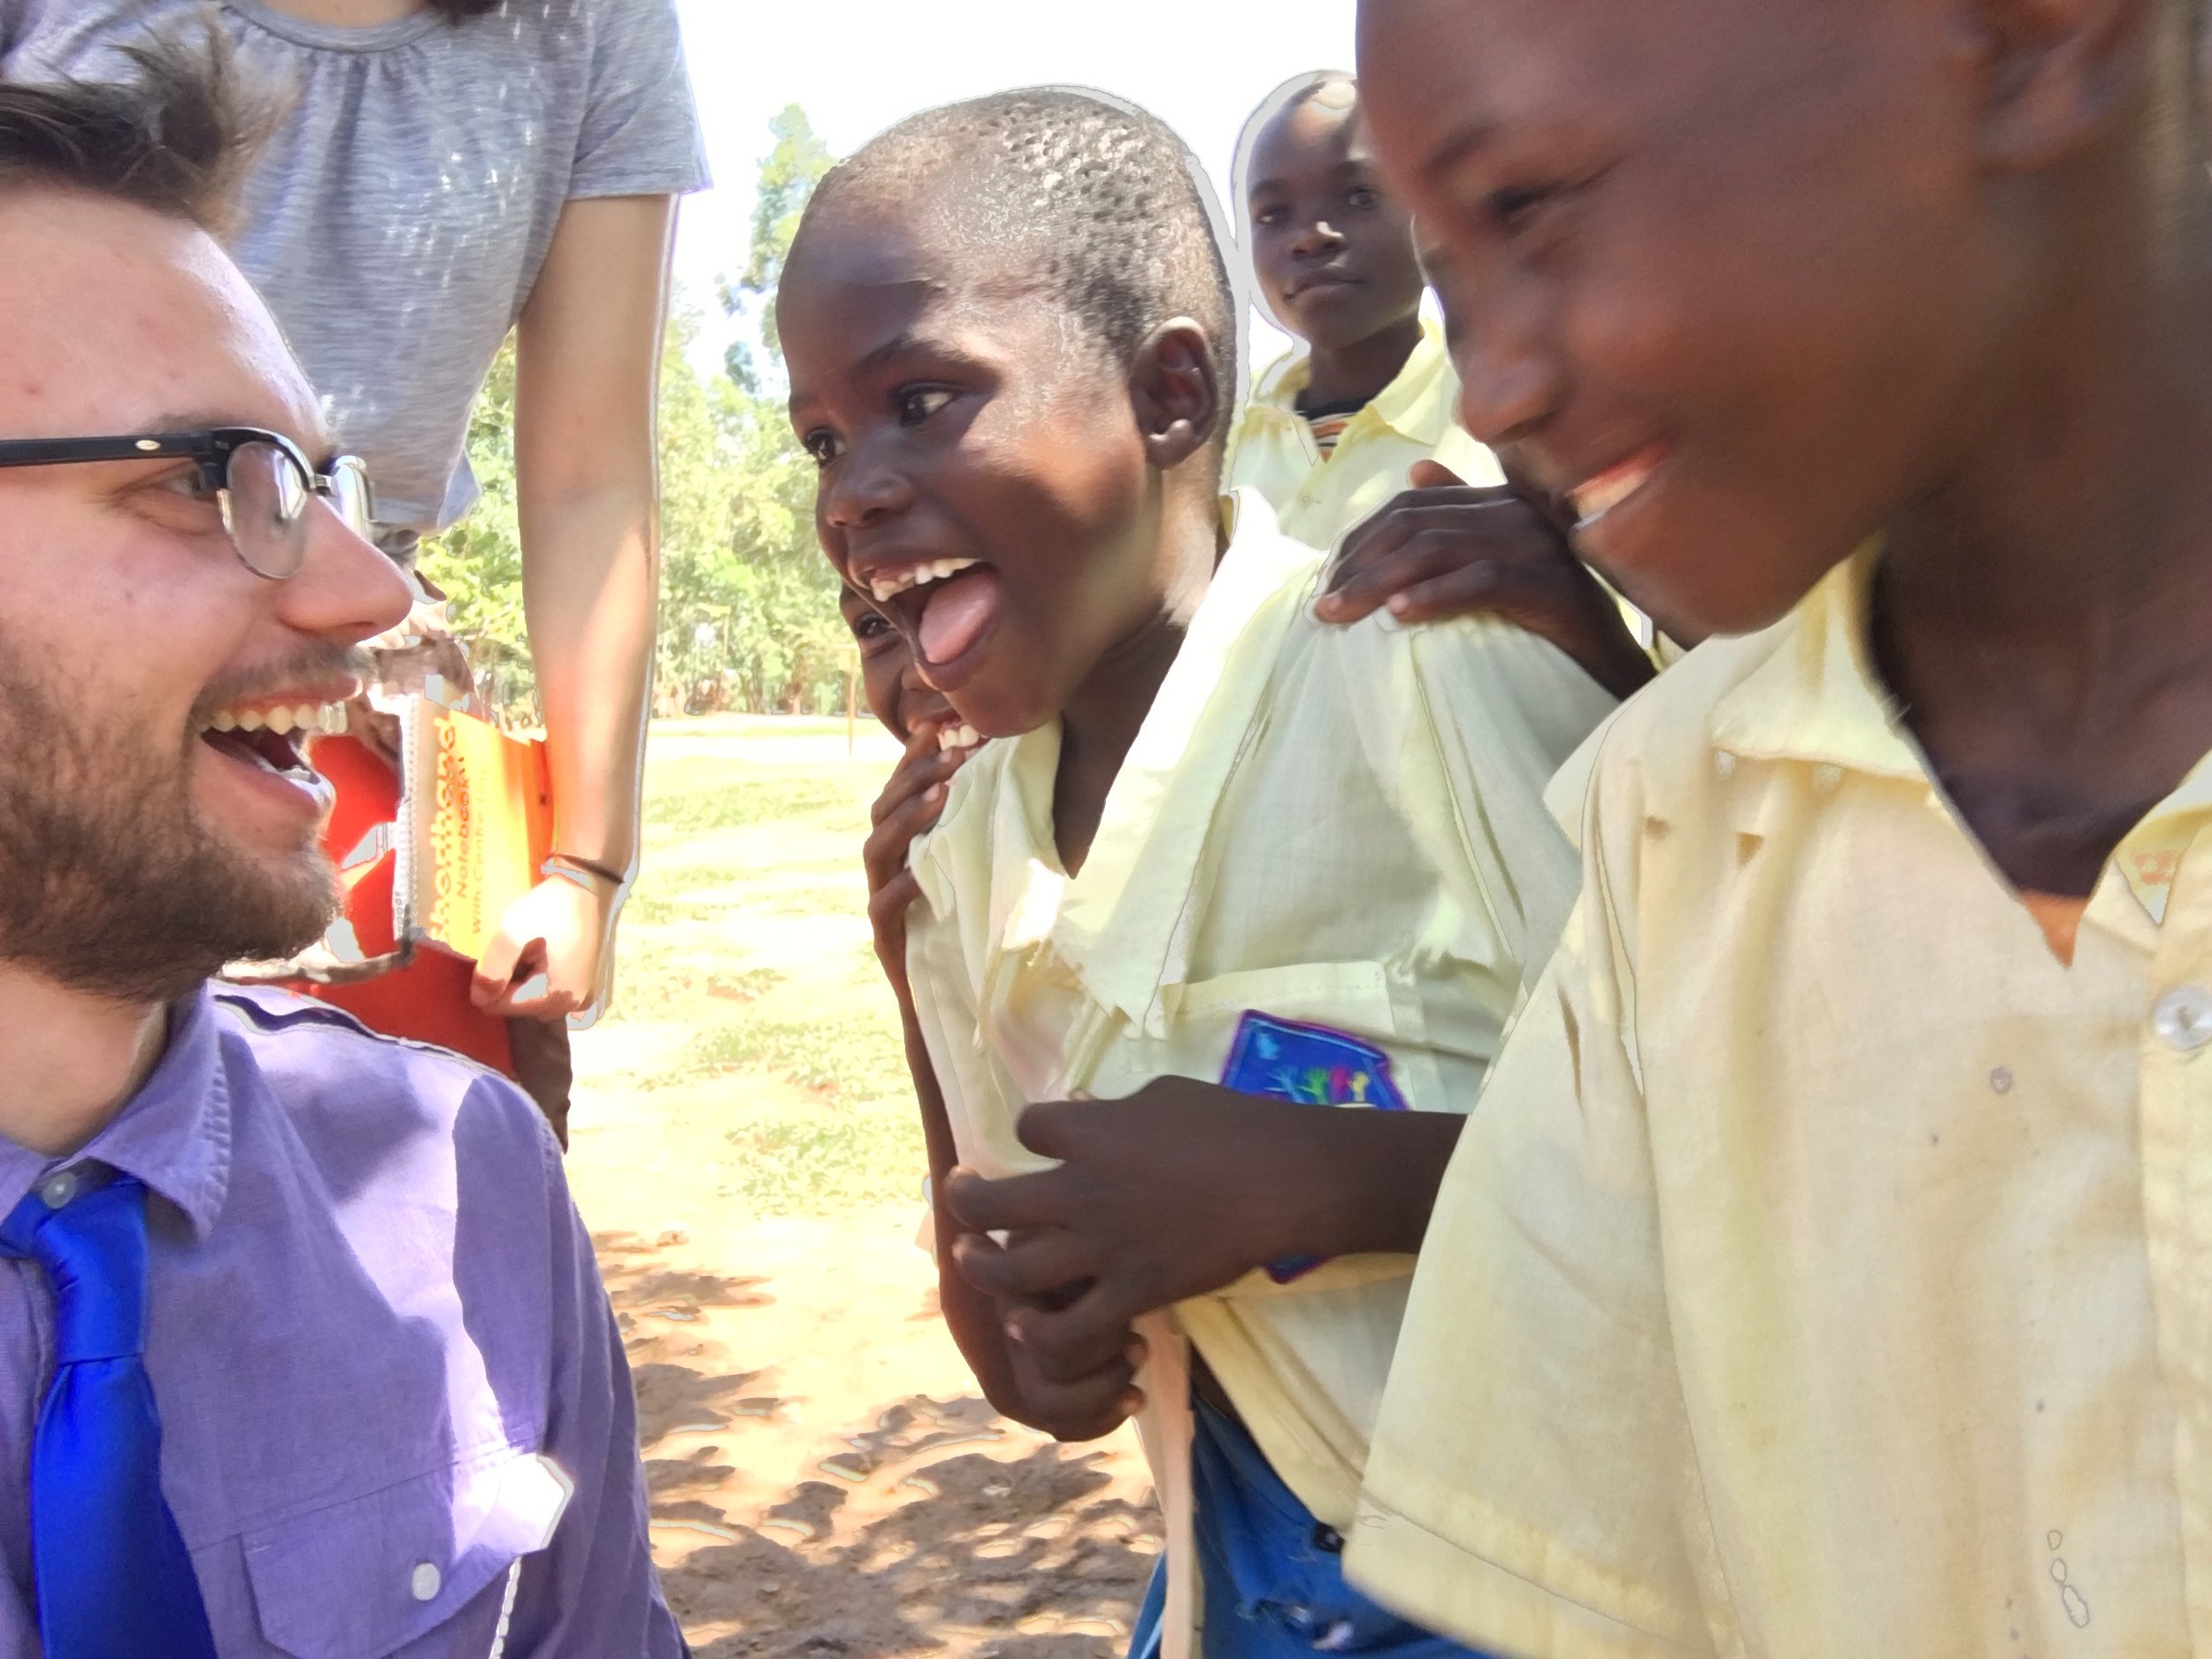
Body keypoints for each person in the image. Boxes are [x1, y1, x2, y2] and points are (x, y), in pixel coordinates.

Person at [1340, 0, 2212, 1655]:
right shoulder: (1675, 827)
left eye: (1526, 203)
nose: (1494, 380)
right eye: (1448, 274)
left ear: (2032, 37)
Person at [779, 87, 1624, 1659]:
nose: (853, 491)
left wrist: (1328, 1180)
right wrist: (1035, 1333)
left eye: (923, 401)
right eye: (824, 438)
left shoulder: (1421, 663)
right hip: (1228, 1586)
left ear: (1170, 397)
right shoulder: (966, 839)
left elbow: (1735, 1145)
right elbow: (1007, 1316)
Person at [0, 47, 680, 1653]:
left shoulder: (465, 1185)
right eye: (200, 481)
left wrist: (584, 865)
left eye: (320, 486)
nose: (375, 596)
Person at [3, 0, 710, 1140]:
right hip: (61, 680)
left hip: (370, 706)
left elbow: (589, 476)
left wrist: (586, 862)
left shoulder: (592, 26)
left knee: (398, 1201)